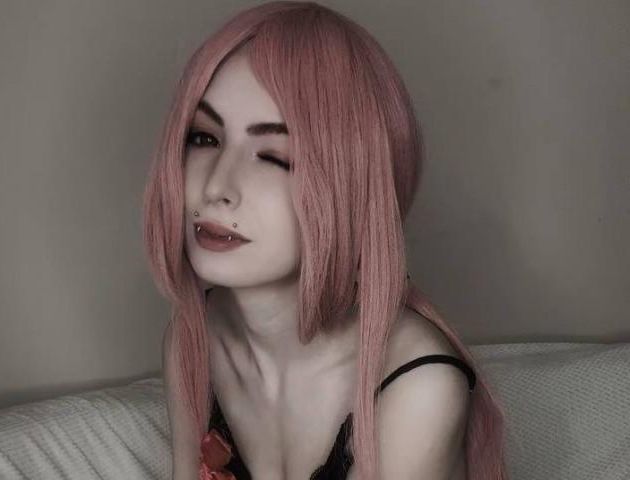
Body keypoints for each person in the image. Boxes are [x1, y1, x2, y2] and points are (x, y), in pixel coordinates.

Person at [142, 2, 509, 479]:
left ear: (351, 187)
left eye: (275, 157)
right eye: (204, 138)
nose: (215, 188)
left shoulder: (419, 387)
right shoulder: (192, 340)